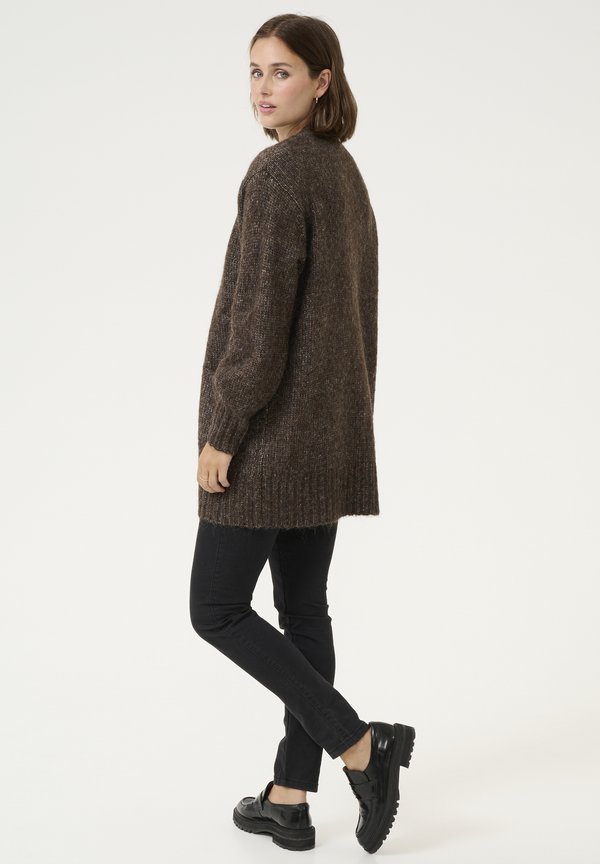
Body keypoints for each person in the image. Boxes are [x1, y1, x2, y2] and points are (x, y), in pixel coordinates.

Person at [189, 13, 415, 854]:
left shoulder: (281, 174)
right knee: (302, 609)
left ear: (322, 82)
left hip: (273, 437)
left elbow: (259, 327)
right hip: (328, 433)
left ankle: (360, 744)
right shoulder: (341, 171)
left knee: (215, 608)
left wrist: (225, 430)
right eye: (254, 71)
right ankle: (289, 795)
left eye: (280, 72)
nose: (262, 88)